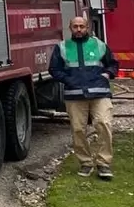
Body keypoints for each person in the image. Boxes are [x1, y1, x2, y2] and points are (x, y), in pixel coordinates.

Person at [49, 16, 119, 180]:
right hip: (75, 95)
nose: (79, 29)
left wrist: (107, 74)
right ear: (70, 28)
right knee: (78, 129)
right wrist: (69, 80)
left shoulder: (99, 45)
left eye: (82, 26)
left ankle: (104, 164)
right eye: (75, 26)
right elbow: (54, 69)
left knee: (104, 124)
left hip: (100, 92)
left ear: (87, 27)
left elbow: (113, 63)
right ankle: (86, 163)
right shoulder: (62, 47)